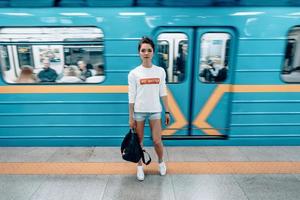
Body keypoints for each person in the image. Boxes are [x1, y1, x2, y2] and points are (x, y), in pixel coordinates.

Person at [128, 36, 170, 181]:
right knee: (139, 141)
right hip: (139, 111)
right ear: (139, 53)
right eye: (143, 50)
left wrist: (167, 110)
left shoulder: (160, 71)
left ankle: (161, 162)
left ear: (153, 52)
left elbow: (163, 93)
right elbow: (131, 96)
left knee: (157, 140)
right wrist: (131, 116)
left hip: (155, 110)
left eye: (149, 50)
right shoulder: (134, 73)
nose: (146, 53)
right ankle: (139, 166)